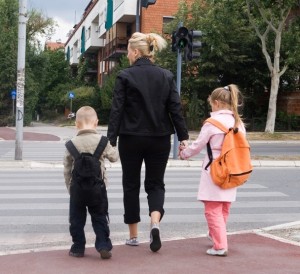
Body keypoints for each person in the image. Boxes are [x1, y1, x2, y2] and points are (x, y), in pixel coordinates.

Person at [107, 32, 189, 252]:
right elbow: (175, 109)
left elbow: (117, 110)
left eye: (128, 53)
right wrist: (183, 137)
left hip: (131, 138)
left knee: (130, 184)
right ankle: (155, 223)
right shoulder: (166, 76)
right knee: (155, 183)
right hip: (159, 138)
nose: (127, 57)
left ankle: (133, 236)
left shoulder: (125, 76)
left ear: (135, 52)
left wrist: (110, 140)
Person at [179, 84, 245, 257]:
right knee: (224, 206)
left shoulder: (212, 123)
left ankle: (220, 245)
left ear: (216, 102)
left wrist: (184, 153)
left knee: (211, 208)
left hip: (215, 168)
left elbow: (197, 145)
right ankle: (217, 235)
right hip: (234, 169)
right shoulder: (238, 122)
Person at [63, 106, 119, 259]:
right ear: (96, 123)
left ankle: (77, 247)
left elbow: (67, 169)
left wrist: (70, 188)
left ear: (76, 124)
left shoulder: (71, 144)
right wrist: (111, 146)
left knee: (76, 220)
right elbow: (114, 158)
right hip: (98, 189)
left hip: (77, 190)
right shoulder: (103, 142)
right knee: (100, 217)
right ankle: (103, 244)